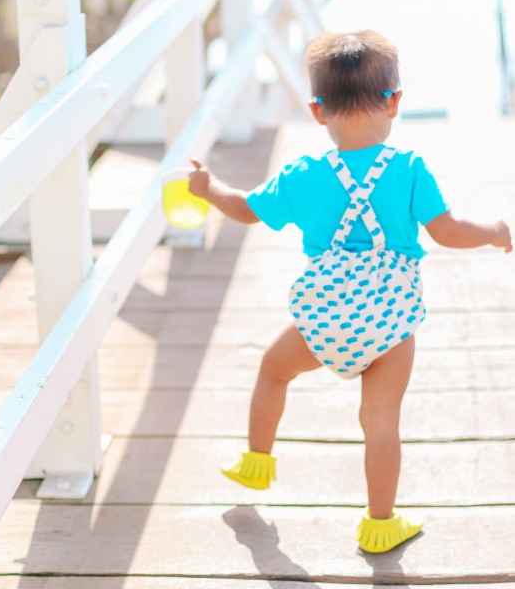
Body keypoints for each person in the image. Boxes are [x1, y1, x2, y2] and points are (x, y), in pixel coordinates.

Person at [188, 30, 512, 554]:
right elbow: (448, 231)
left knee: (273, 371)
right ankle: (380, 524)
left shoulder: (302, 175)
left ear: (318, 111)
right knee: (380, 424)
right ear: (395, 101)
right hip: (390, 324)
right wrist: (496, 233)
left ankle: (256, 461)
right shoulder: (408, 169)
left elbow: (246, 208)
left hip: (323, 321)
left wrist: (210, 189)